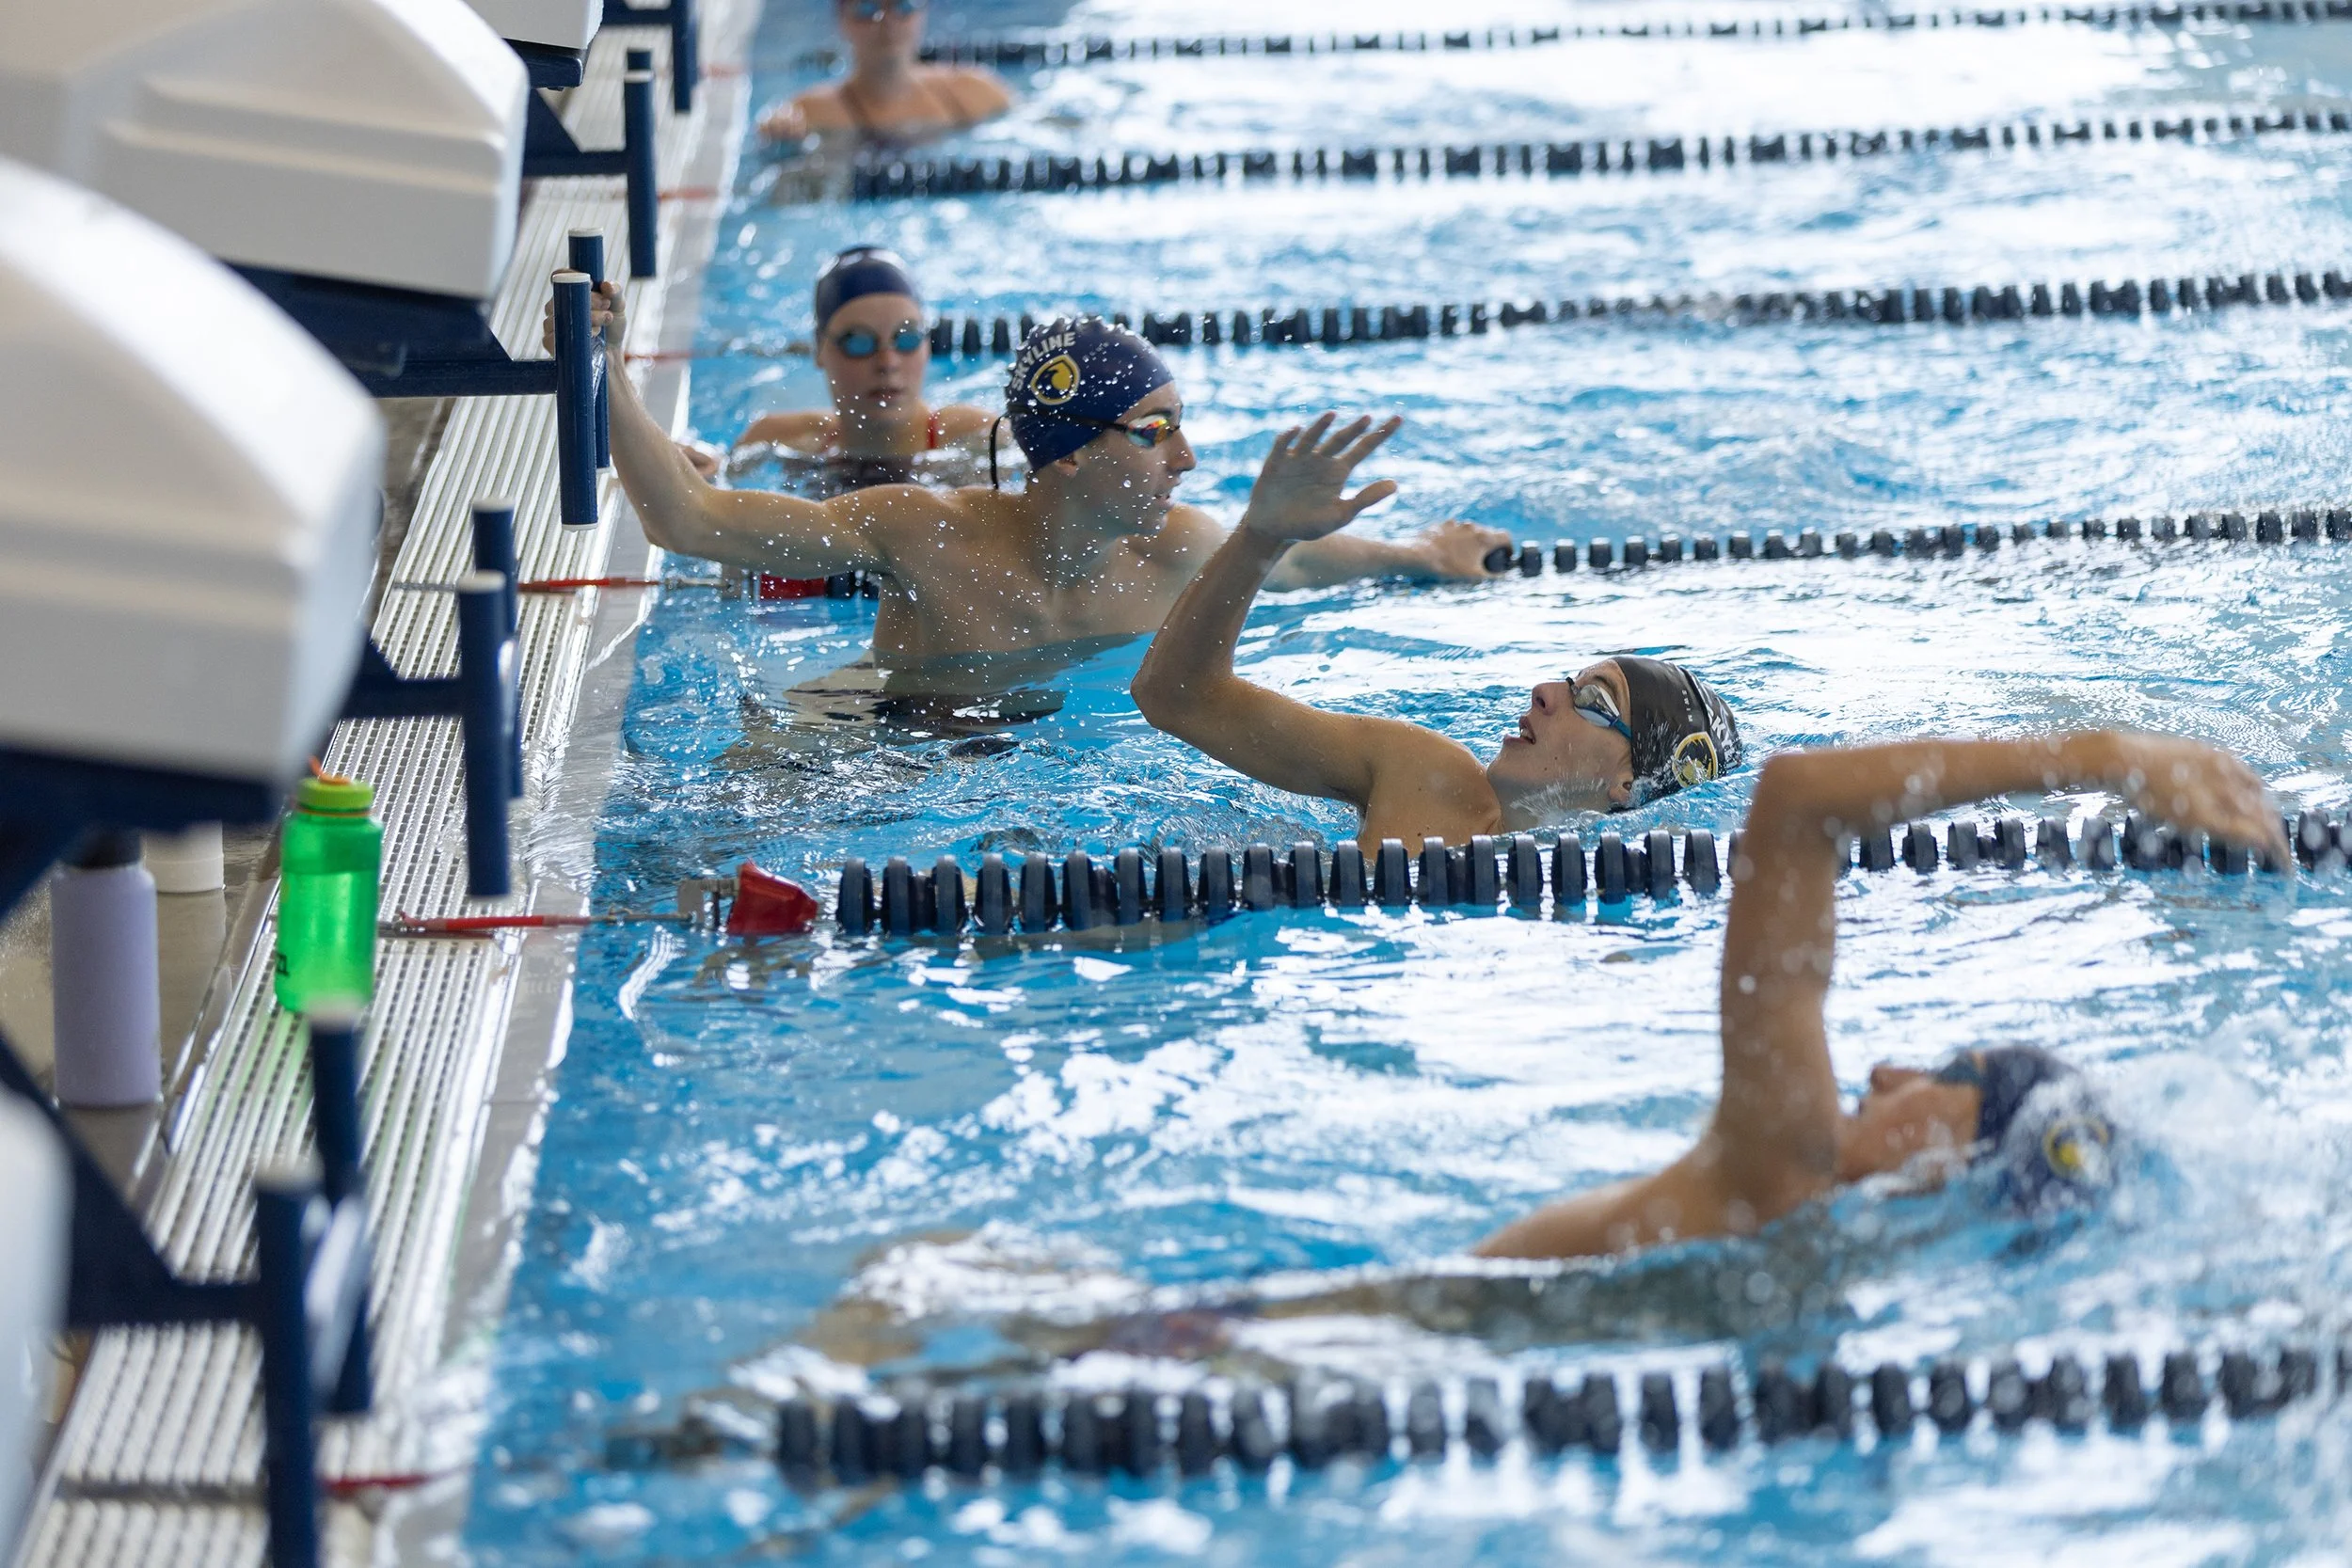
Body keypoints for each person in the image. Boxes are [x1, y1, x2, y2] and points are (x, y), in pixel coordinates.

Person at [1474, 728, 2286, 1259]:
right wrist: (2105, 755)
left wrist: (2111, 757)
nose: (1890, 1072)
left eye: (1951, 1077)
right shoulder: (1789, 1167)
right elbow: (1791, 799)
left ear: (1969, 1164)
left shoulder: (1808, 1200)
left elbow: (1797, 806)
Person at [568, 295, 1512, 679]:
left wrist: (1421, 554)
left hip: (1030, 754)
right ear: (1064, 452)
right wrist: (603, 363)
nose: (1183, 459)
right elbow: (686, 517)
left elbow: (1298, 557)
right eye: (1154, 433)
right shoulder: (919, 531)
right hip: (881, 735)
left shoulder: (1176, 546)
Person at [1132, 412, 1744, 845]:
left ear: (1628, 782)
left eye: (1591, 700)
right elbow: (1174, 696)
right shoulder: (1420, 772)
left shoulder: (1617, 895)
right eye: (1568, 680)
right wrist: (1261, 538)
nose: (1544, 692)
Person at [707, 246, 992, 473]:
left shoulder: (979, 439)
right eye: (859, 342)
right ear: (819, 350)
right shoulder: (779, 440)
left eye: (907, 338)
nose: (887, 362)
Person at [758, 0, 1010, 150]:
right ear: (842, 18)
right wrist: (781, 143)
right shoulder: (809, 115)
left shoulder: (976, 92)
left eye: (904, 5)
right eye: (869, 8)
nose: (889, 22)